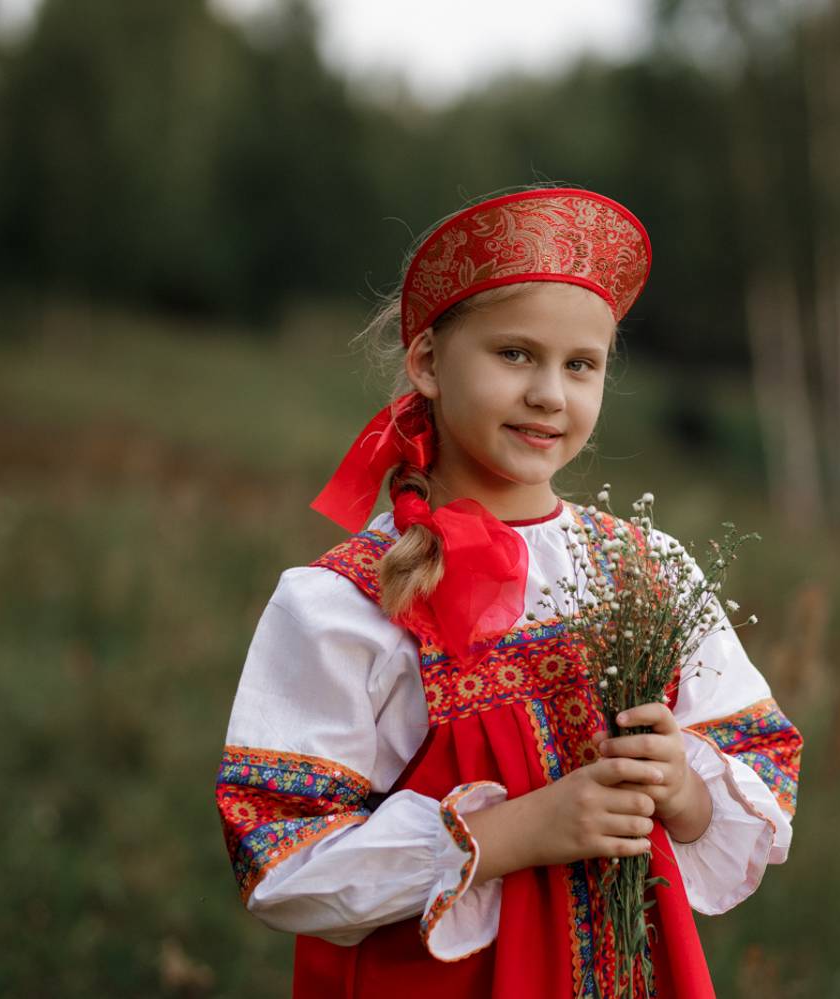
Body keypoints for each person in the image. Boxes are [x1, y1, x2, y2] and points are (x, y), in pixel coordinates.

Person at [215, 185, 803, 998]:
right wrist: (510, 834)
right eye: (515, 354)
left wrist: (683, 789)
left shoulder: (649, 570)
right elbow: (277, 856)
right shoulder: (343, 602)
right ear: (426, 361)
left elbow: (762, 771)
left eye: (581, 365)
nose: (550, 395)